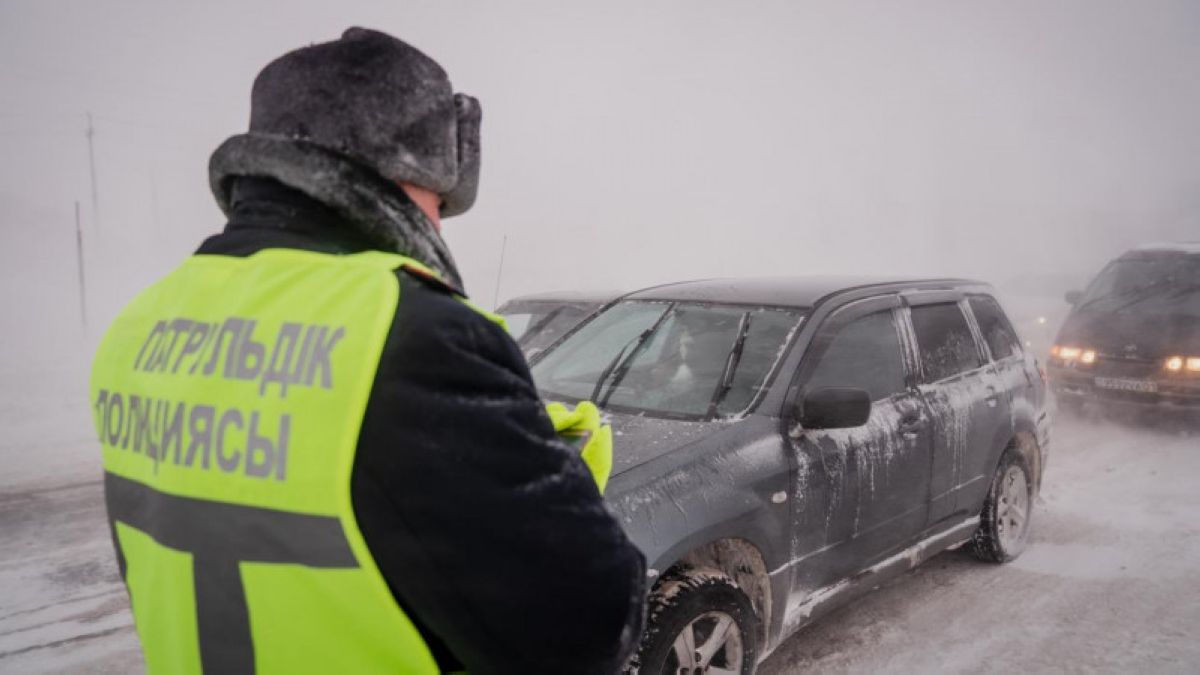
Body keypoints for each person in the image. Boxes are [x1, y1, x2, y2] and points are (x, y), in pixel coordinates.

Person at [89, 27, 646, 675]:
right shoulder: (413, 331)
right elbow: (589, 628)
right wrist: (559, 472)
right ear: (406, 175)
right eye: (442, 201)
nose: (439, 223)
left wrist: (477, 440)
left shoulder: (143, 322)